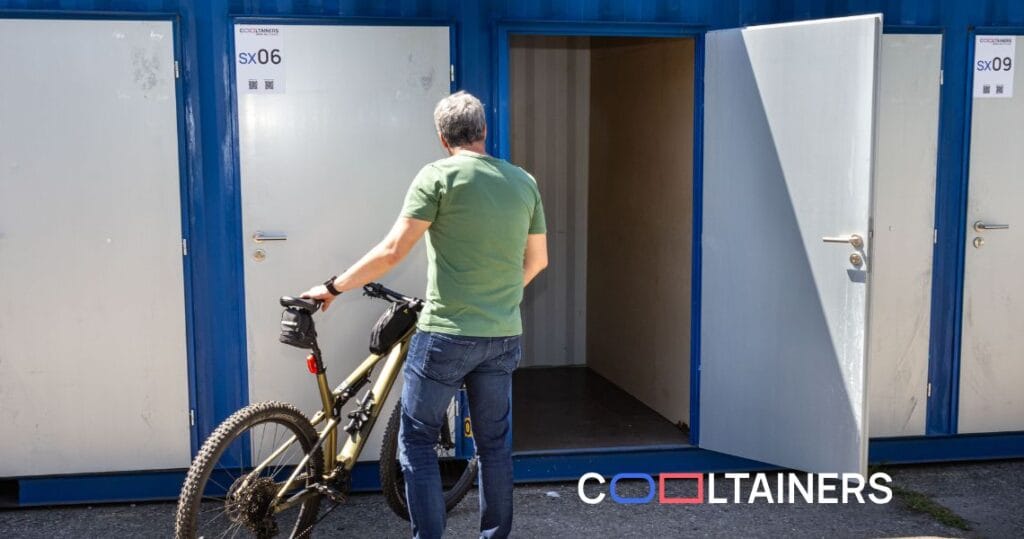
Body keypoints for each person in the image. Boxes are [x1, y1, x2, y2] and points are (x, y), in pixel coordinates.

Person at [301, 90, 548, 538]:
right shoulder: (523, 182)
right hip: (502, 336)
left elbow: (393, 251)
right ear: (484, 131)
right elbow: (538, 261)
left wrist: (333, 287)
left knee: (416, 440)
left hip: (446, 336)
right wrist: (501, 297)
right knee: (494, 446)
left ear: (442, 137)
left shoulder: (437, 177)